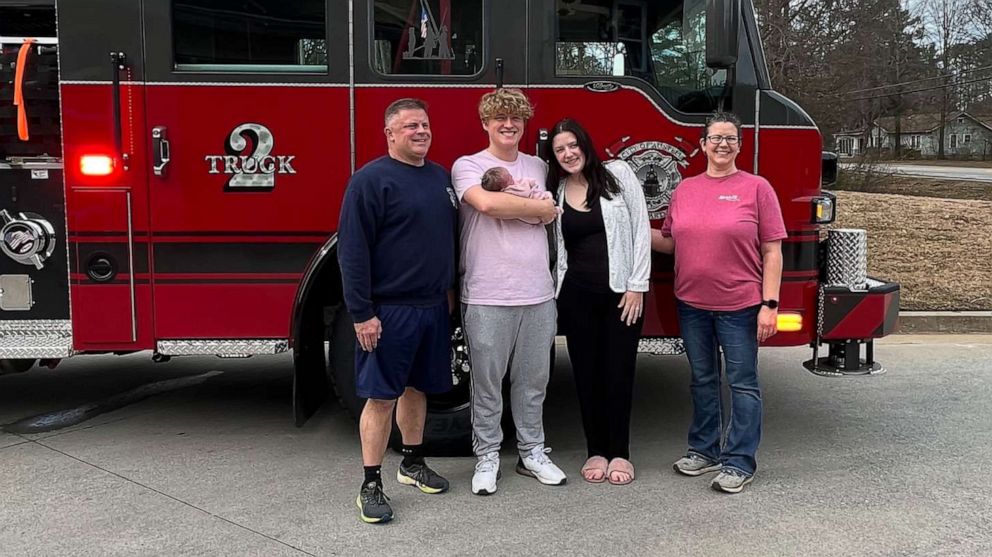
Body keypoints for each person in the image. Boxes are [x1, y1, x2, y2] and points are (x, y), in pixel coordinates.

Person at [651, 111, 786, 494]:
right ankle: (704, 450)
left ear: (740, 145)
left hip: (740, 305)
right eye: (715, 138)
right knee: (703, 380)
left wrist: (770, 303)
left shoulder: (757, 188)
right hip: (691, 304)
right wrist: (631, 228)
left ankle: (739, 461)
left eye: (730, 138)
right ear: (703, 144)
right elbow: (671, 242)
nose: (722, 144)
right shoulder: (685, 189)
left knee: (742, 384)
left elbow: (772, 251)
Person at [337, 98, 457, 523]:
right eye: (410, 126)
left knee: (418, 389)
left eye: (424, 124)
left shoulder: (441, 178)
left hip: (431, 307)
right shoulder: (369, 182)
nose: (421, 131)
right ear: (389, 134)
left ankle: (412, 461)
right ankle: (371, 483)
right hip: (389, 312)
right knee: (382, 397)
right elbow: (352, 253)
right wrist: (361, 313)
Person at [451, 88, 565, 496]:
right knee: (486, 381)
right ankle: (487, 456)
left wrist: (539, 209)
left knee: (534, 380)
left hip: (538, 292)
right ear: (485, 123)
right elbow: (487, 206)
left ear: (524, 124)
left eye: (516, 118)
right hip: (485, 292)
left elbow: (557, 211)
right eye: (499, 118)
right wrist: (539, 210)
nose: (508, 124)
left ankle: (532, 451)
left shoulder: (538, 165)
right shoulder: (467, 165)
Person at [545, 118, 651, 485]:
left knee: (618, 373)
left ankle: (620, 453)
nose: (568, 153)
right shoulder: (557, 191)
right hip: (576, 296)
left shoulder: (617, 173)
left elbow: (641, 230)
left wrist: (637, 286)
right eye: (560, 149)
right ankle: (596, 450)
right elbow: (559, 249)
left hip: (622, 295)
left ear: (585, 144)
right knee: (586, 376)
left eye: (572, 145)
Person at [479, 166, 561, 224]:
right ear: (503, 187)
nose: (512, 177)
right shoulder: (510, 191)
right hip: (532, 210)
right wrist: (529, 184)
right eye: (509, 178)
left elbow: (521, 182)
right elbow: (525, 192)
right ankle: (554, 210)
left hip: (533, 205)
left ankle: (552, 208)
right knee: (544, 198)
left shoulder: (511, 185)